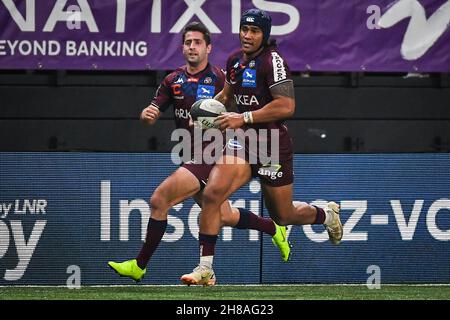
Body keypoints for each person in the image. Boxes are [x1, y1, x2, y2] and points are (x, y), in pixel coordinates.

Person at [108, 21, 291, 285]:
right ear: (182, 47)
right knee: (223, 214)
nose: (192, 47)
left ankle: (139, 265)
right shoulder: (173, 80)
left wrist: (238, 123)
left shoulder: (220, 76)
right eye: (187, 42)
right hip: (188, 152)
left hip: (213, 153)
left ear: (208, 48)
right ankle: (274, 228)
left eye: (197, 42)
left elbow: (238, 104)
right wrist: (147, 115)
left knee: (159, 199)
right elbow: (152, 111)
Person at [180, 10, 343, 286]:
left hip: (271, 145)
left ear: (264, 35)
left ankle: (327, 215)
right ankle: (205, 268)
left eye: (254, 31)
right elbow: (226, 98)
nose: (247, 35)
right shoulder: (234, 62)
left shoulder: (273, 61)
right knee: (212, 194)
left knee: (283, 215)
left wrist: (242, 117)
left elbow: (286, 106)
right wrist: (206, 118)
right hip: (243, 142)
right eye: (244, 29)